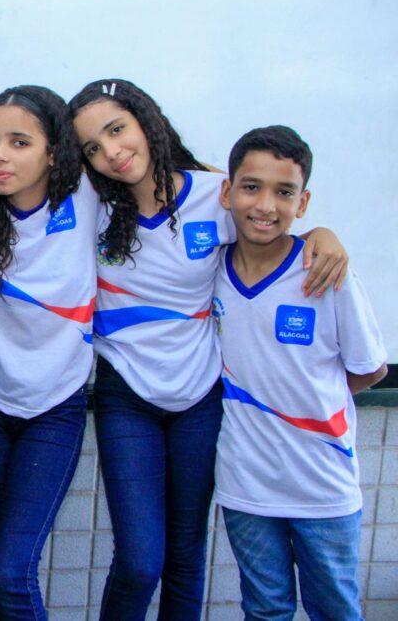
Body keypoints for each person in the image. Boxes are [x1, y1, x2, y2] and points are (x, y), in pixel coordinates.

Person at [69, 79, 348, 621]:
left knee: (186, 554)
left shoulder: (213, 194)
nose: (111, 153)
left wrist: (323, 233)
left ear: (147, 120)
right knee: (140, 561)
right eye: (93, 148)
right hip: (127, 394)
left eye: (117, 130)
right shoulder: (91, 205)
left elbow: (272, 220)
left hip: (201, 397)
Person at [213, 125, 387, 620]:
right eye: (251, 187)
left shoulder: (326, 273)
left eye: (284, 192)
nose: (265, 205)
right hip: (246, 484)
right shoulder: (211, 269)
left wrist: (306, 403)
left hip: (322, 484)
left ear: (303, 202)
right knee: (265, 609)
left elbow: (370, 369)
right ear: (227, 192)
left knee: (335, 611)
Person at [0, 85, 99, 618]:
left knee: (10, 572)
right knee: (0, 574)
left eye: (20, 142)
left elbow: (188, 182)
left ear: (54, 152)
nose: (0, 155)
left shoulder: (89, 195)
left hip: (54, 409)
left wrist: (315, 233)